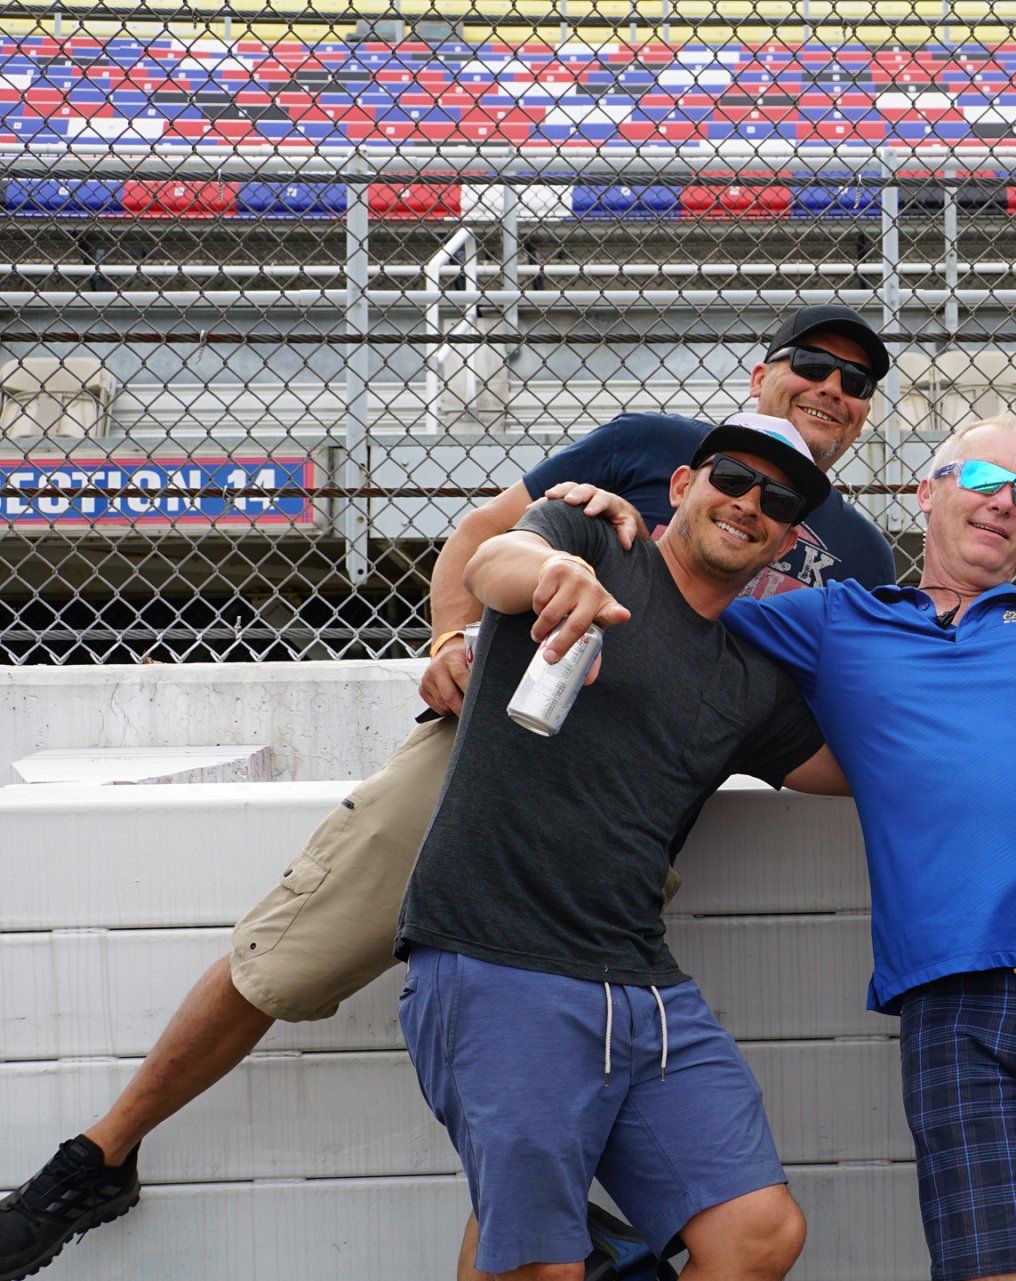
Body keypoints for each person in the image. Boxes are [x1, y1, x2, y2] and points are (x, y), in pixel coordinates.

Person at [0, 305, 894, 1281]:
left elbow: (841, 714)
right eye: (813, 364)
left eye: (857, 382)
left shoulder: (859, 553)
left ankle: (563, 1237)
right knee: (290, 957)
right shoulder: (649, 452)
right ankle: (102, 1154)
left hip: (642, 812)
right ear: (756, 378)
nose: (832, 391)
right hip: (496, 748)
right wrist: (453, 642)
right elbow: (486, 539)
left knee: (566, 1086)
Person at [397, 414, 848, 1281]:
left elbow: (864, 768)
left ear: (789, 538)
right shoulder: (592, 539)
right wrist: (555, 571)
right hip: (500, 957)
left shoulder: (749, 682)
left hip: (640, 984)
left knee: (758, 1230)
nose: (749, 502)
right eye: (730, 478)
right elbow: (494, 560)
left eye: (777, 498)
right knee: (539, 1264)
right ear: (682, 485)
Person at [721, 417, 1016, 1281]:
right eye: (982, 476)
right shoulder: (836, 621)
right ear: (923, 492)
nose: (1005, 501)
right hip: (954, 998)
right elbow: (683, 601)